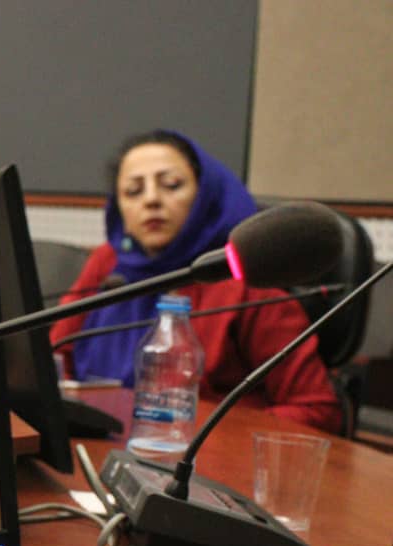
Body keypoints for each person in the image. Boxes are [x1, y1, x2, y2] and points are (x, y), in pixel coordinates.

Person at [49, 129, 342, 433]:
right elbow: (54, 358)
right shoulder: (108, 263)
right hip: (101, 440)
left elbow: (317, 408)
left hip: (206, 451)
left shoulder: (243, 275)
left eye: (171, 185)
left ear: (205, 195)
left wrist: (208, 433)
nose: (151, 200)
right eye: (133, 191)